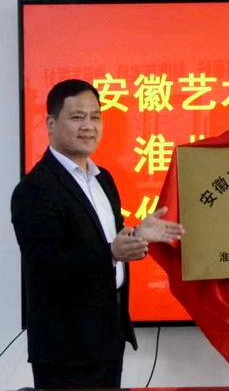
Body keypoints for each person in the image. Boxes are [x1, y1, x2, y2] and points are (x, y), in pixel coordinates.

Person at [11, 79, 184, 389]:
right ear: (51, 124)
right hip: (66, 350)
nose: (88, 126)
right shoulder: (36, 189)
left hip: (109, 338)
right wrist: (112, 253)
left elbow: (105, 242)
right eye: (77, 117)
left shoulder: (103, 179)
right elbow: (46, 265)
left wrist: (137, 234)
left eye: (95, 117)